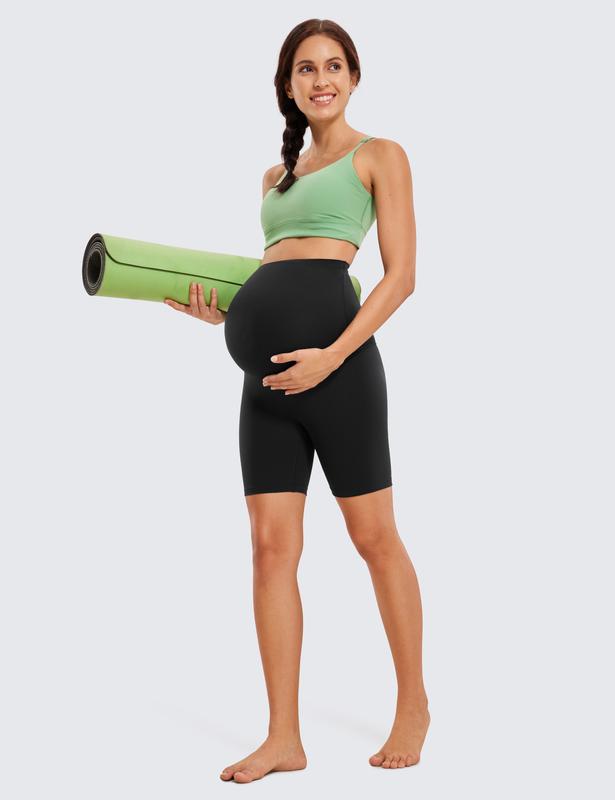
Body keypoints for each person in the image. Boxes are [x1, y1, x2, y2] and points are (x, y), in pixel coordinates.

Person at [165, 18, 429, 783]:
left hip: (339, 372)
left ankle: (413, 703)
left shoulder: (379, 155)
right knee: (270, 549)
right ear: (287, 84)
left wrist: (331, 356)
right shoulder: (274, 178)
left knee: (374, 538)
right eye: (306, 68)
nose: (321, 79)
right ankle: (283, 736)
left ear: (353, 77)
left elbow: (400, 277)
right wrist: (227, 315)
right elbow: (274, 273)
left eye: (333, 66)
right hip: (266, 385)